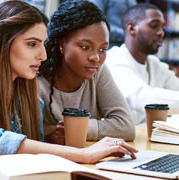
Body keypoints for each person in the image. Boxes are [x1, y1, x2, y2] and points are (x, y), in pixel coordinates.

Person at [0, 1, 137, 169]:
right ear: (1, 43)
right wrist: (82, 154)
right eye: (32, 44)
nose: (43, 55)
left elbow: (32, 155)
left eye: (42, 43)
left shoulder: (25, 89)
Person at [38, 0, 135, 145]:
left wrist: (75, 128)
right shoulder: (35, 77)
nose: (95, 58)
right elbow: (23, 130)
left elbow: (126, 127)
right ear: (62, 44)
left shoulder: (97, 71)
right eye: (85, 47)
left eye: (102, 49)